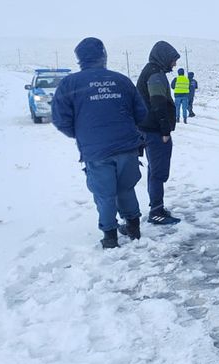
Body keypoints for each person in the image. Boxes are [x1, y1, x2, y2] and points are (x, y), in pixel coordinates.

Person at [51, 37, 148, 249]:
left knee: (104, 194)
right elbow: (141, 113)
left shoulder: (70, 84)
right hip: (127, 147)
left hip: (96, 151)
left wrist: (82, 134)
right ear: (103, 56)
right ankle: (133, 227)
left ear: (79, 59)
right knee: (126, 188)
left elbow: (60, 119)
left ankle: (110, 237)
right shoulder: (121, 80)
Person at [136, 41, 182, 225]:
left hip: (149, 128)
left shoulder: (152, 71)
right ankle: (156, 212)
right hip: (154, 130)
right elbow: (158, 103)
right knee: (158, 171)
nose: (174, 64)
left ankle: (157, 208)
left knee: (154, 169)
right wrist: (164, 130)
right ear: (163, 57)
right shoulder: (155, 74)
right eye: (172, 60)